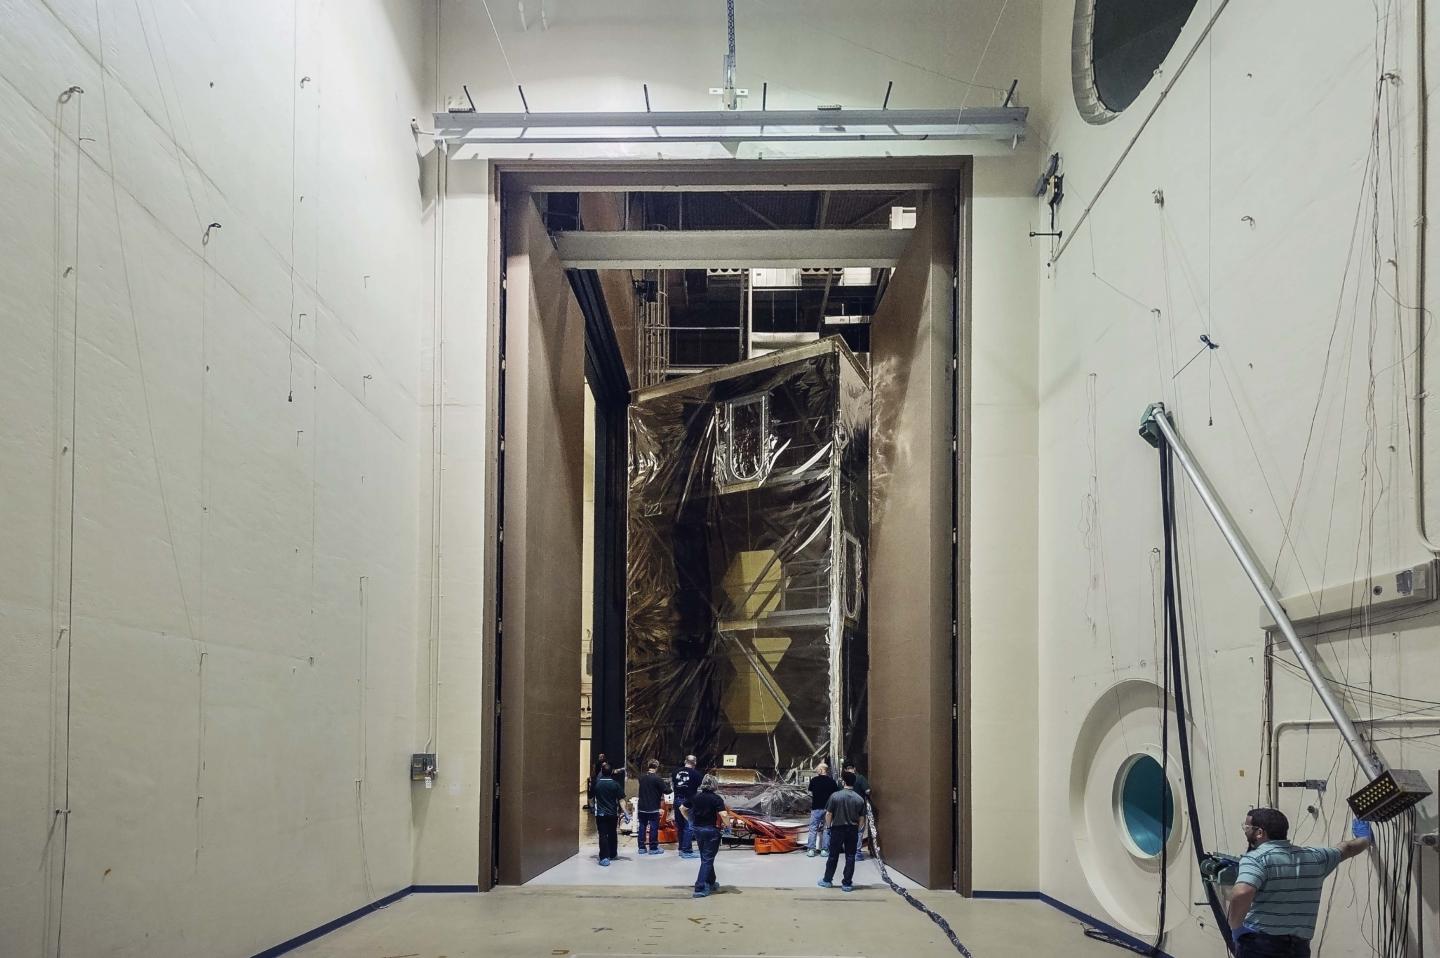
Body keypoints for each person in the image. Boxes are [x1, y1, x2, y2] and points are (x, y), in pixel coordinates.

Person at [1226, 807, 1372, 956]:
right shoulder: (1315, 857)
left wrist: (1236, 928)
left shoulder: (1256, 859)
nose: (1245, 830)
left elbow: (1242, 892)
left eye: (1247, 827)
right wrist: (1364, 839)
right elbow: (1346, 848)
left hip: (1260, 945)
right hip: (1298, 947)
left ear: (1259, 833)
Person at [817, 770, 868, 892]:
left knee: (833, 856)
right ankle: (847, 884)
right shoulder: (859, 799)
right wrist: (859, 830)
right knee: (850, 856)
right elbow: (862, 818)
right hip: (852, 831)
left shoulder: (835, 796)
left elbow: (829, 814)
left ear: (843, 781)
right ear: (854, 783)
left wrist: (829, 827)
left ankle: (827, 880)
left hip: (837, 830)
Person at [682, 775, 728, 898]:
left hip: (697, 830)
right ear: (714, 785)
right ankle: (700, 887)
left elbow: (682, 808)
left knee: (706, 857)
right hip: (711, 831)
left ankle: (711, 882)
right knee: (707, 859)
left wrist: (690, 821)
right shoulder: (716, 799)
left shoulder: (695, 796)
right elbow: (723, 814)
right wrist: (728, 825)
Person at [592, 763, 625, 866]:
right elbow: (621, 800)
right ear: (611, 772)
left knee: (603, 835)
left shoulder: (596, 784)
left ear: (601, 771)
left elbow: (590, 798)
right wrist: (625, 812)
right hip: (612, 813)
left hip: (600, 814)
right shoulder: (615, 784)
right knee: (612, 833)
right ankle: (613, 853)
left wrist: (593, 808)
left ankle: (604, 857)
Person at [636, 759, 669, 855]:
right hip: (653, 807)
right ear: (657, 767)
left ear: (648, 766)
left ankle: (641, 848)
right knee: (654, 827)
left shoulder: (641, 777)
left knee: (642, 827)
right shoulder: (657, 778)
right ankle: (653, 848)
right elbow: (666, 790)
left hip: (642, 807)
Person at [671, 754, 702, 859]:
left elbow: (673, 785)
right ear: (695, 763)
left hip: (677, 800)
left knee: (680, 826)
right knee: (689, 826)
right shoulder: (697, 774)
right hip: (689, 802)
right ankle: (687, 850)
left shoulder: (675, 772)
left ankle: (681, 848)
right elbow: (700, 788)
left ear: (685, 761)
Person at [806, 763, 839, 857]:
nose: (817, 770)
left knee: (813, 829)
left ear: (821, 769)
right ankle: (825, 850)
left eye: (817, 769)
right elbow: (835, 795)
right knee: (827, 829)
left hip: (816, 808)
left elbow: (810, 792)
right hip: (828, 809)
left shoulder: (813, 780)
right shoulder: (832, 781)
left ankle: (811, 850)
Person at [843, 761, 871, 859]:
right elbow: (867, 790)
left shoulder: (842, 780)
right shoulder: (860, 778)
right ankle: (857, 853)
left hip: (846, 809)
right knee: (859, 831)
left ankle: (849, 851)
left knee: (847, 830)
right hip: (860, 809)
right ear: (854, 768)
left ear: (845, 770)